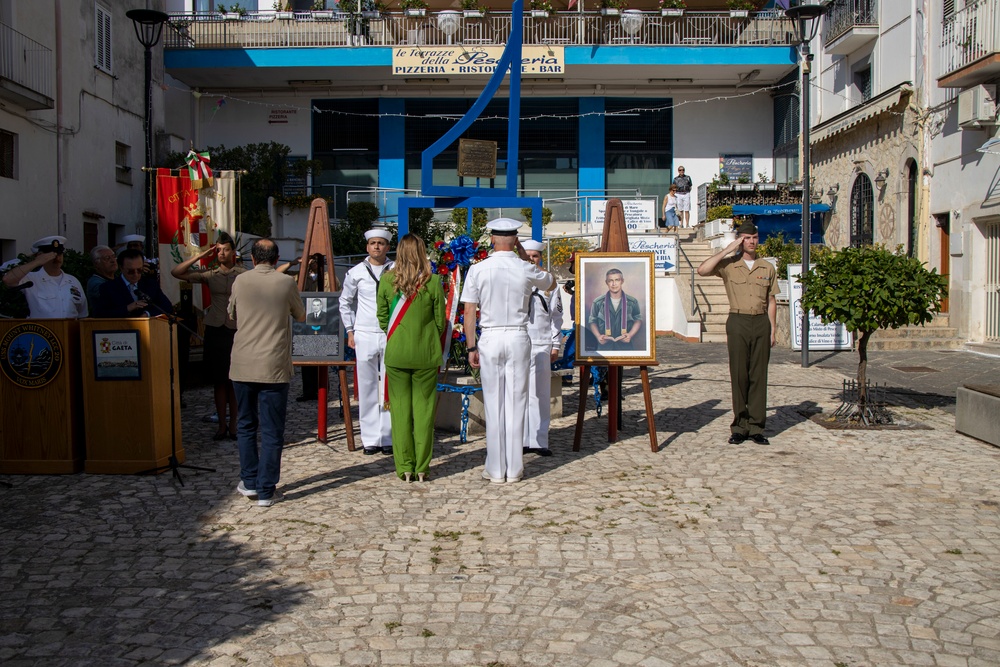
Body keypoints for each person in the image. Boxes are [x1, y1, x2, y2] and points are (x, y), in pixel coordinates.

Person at [461, 218, 557, 484]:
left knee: (494, 403)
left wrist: (471, 346)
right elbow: (551, 282)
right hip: (517, 336)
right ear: (515, 241)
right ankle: (514, 469)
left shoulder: (478, 269)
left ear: (492, 239)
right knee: (517, 402)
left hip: (491, 336)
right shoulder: (525, 268)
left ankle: (495, 467)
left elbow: (469, 310)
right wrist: (525, 256)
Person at [228, 238, 306, 507]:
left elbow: (231, 313)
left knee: (246, 425)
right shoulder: (286, 283)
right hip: (273, 364)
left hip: (243, 363)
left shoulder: (240, 281)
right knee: (272, 430)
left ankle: (249, 481)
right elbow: (301, 315)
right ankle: (266, 489)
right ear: (276, 259)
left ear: (252, 258)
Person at [696, 218, 778, 446]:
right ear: (740, 240)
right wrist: (727, 250)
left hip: (761, 321)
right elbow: (702, 270)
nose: (751, 242)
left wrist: (772, 329)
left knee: (759, 376)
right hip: (738, 320)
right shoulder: (730, 265)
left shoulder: (767, 267)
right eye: (746, 238)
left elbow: (771, 300)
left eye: (754, 238)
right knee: (739, 374)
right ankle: (740, 426)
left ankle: (756, 427)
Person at [376, 233, 444, 482]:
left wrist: (399, 338)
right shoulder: (434, 281)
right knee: (424, 412)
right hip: (425, 354)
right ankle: (422, 468)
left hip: (397, 355)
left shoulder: (386, 281)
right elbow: (440, 321)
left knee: (401, 411)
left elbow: (382, 318)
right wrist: (425, 339)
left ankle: (405, 466)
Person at [170, 233, 247, 441]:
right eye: (219, 250)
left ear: (233, 252)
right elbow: (176, 272)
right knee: (219, 380)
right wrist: (201, 255)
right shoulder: (209, 275)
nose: (221, 253)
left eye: (225, 250)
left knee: (234, 379)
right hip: (215, 329)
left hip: (236, 328)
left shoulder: (243, 274)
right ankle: (221, 425)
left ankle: (234, 425)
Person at [340, 229, 395, 455]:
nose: (376, 247)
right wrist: (350, 330)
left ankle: (388, 436)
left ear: (387, 247)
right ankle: (370, 439)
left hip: (390, 333)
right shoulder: (356, 272)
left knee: (389, 387)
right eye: (373, 243)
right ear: (367, 247)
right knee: (367, 385)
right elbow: (345, 302)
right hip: (364, 333)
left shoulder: (397, 270)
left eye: (381, 243)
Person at [522, 240, 563, 457]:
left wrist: (555, 344)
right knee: (519, 394)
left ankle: (539, 441)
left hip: (541, 344)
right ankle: (520, 440)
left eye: (535, 256)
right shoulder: (517, 278)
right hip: (518, 343)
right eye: (527, 255)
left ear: (540, 258)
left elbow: (557, 317)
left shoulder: (550, 283)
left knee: (540, 394)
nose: (531, 259)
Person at [2, 236, 88, 319]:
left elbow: (82, 315)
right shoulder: (31, 279)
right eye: (51, 254)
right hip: (42, 332)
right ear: (40, 255)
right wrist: (37, 262)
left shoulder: (73, 280)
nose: (57, 257)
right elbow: (8, 280)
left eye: (59, 253)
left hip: (69, 331)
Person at [97, 248, 172, 318]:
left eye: (139, 270)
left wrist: (147, 314)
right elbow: (101, 314)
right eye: (131, 271)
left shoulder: (150, 284)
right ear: (121, 268)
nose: (136, 274)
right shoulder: (108, 288)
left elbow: (167, 306)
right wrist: (128, 308)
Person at [587, 268, 642, 352]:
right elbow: (592, 321)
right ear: (606, 282)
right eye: (610, 281)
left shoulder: (632, 302)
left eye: (617, 280)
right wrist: (598, 336)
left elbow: (638, 320)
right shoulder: (597, 302)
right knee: (603, 365)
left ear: (622, 281)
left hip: (625, 347)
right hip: (605, 347)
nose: (614, 284)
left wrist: (630, 335)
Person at [86, 245, 117, 314]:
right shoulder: (94, 282)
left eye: (113, 256)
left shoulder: (116, 278)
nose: (113, 260)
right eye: (107, 258)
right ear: (96, 264)